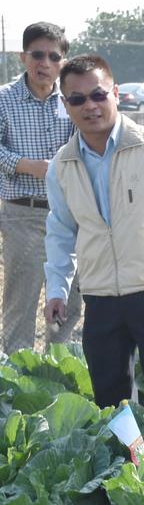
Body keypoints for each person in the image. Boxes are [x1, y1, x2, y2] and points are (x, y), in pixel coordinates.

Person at [43, 54, 144, 447]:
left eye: (98, 94)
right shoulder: (61, 166)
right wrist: (58, 289)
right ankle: (129, 478)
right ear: (65, 105)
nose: (90, 106)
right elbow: (61, 232)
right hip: (101, 297)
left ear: (115, 93)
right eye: (76, 99)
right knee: (113, 405)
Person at [0, 22, 82, 352]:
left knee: (70, 303)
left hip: (69, 215)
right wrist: (27, 166)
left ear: (63, 61)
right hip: (23, 215)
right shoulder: (5, 99)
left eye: (53, 56)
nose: (44, 63)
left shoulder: (73, 100)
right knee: (21, 302)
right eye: (37, 54)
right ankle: (15, 385)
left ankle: (58, 373)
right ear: (23, 57)